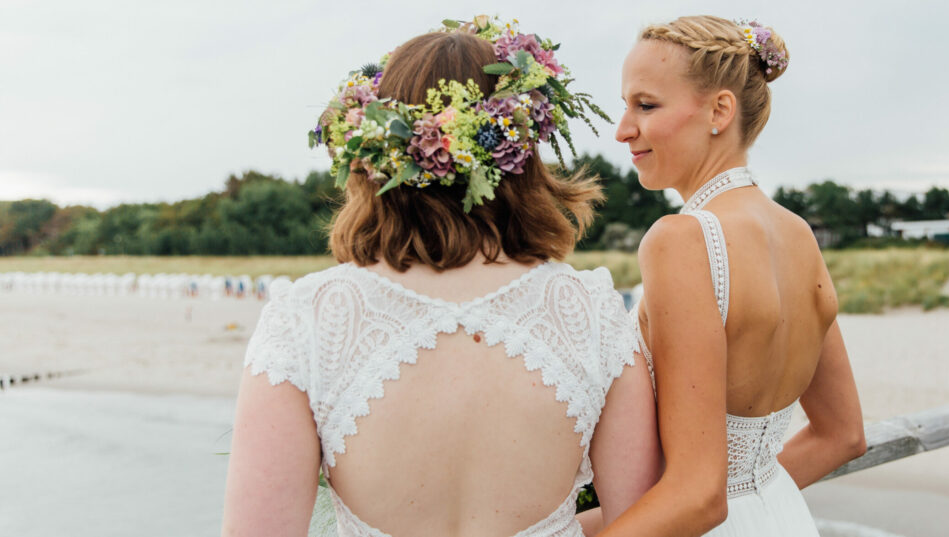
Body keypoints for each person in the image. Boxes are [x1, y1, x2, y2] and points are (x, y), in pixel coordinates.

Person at [222, 17, 659, 537]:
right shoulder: (592, 312)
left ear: (376, 155)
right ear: (518, 153)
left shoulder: (306, 318)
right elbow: (645, 521)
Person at [601, 15, 867, 536]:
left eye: (645, 105)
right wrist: (752, 497)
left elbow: (698, 497)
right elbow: (844, 435)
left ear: (720, 110)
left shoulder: (682, 240)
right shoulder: (798, 235)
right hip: (780, 515)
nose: (622, 129)